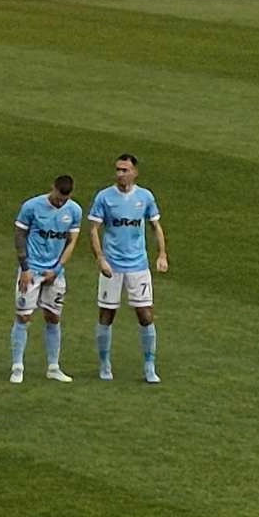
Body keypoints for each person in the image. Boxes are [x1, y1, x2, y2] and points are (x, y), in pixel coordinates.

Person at [89, 154, 167, 384]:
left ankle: (149, 366)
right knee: (106, 314)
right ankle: (104, 363)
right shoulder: (104, 197)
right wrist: (100, 258)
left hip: (138, 265)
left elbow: (155, 226)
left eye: (125, 170)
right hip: (112, 265)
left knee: (145, 315)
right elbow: (93, 229)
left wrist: (162, 254)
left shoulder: (145, 197)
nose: (120, 174)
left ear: (135, 172)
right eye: (118, 170)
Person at [11, 175, 82, 385]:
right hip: (31, 271)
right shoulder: (32, 207)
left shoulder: (74, 211)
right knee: (23, 317)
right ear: (53, 187)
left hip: (55, 273)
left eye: (64, 199)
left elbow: (71, 242)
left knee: (53, 317)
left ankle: (53, 367)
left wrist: (57, 269)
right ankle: (17, 366)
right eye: (58, 197)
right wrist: (25, 268)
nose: (60, 202)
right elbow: (19, 236)